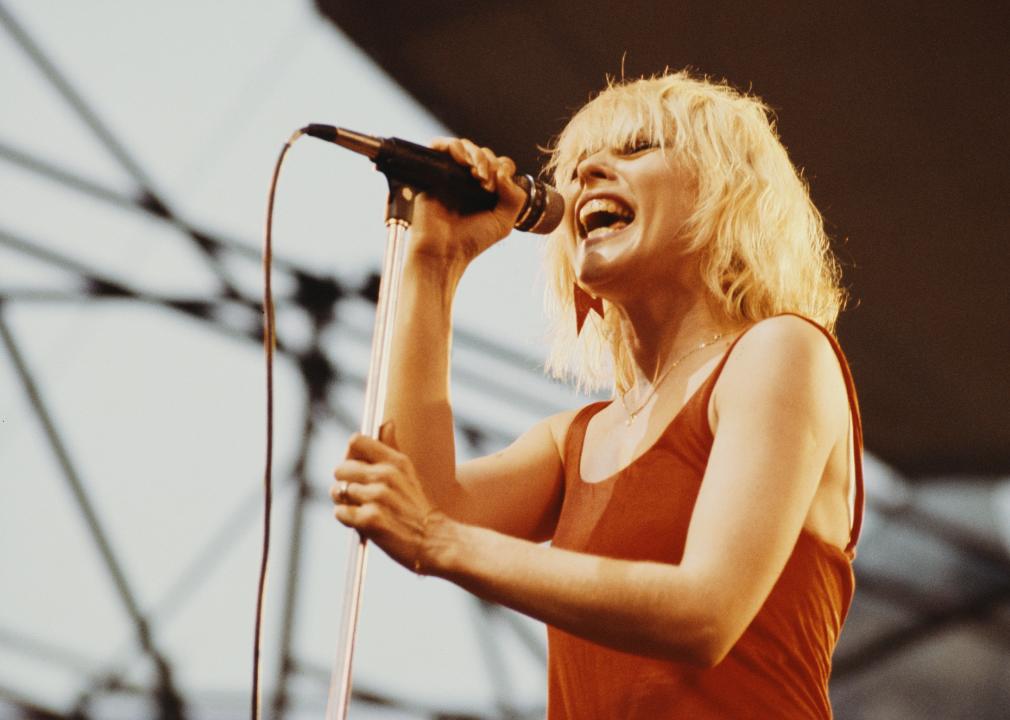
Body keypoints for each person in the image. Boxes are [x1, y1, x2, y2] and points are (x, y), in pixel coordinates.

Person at [330, 70, 863, 719]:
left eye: (636, 149)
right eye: (577, 167)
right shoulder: (575, 440)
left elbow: (704, 614)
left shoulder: (781, 352)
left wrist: (438, 538)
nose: (587, 175)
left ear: (726, 191)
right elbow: (419, 499)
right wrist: (433, 264)